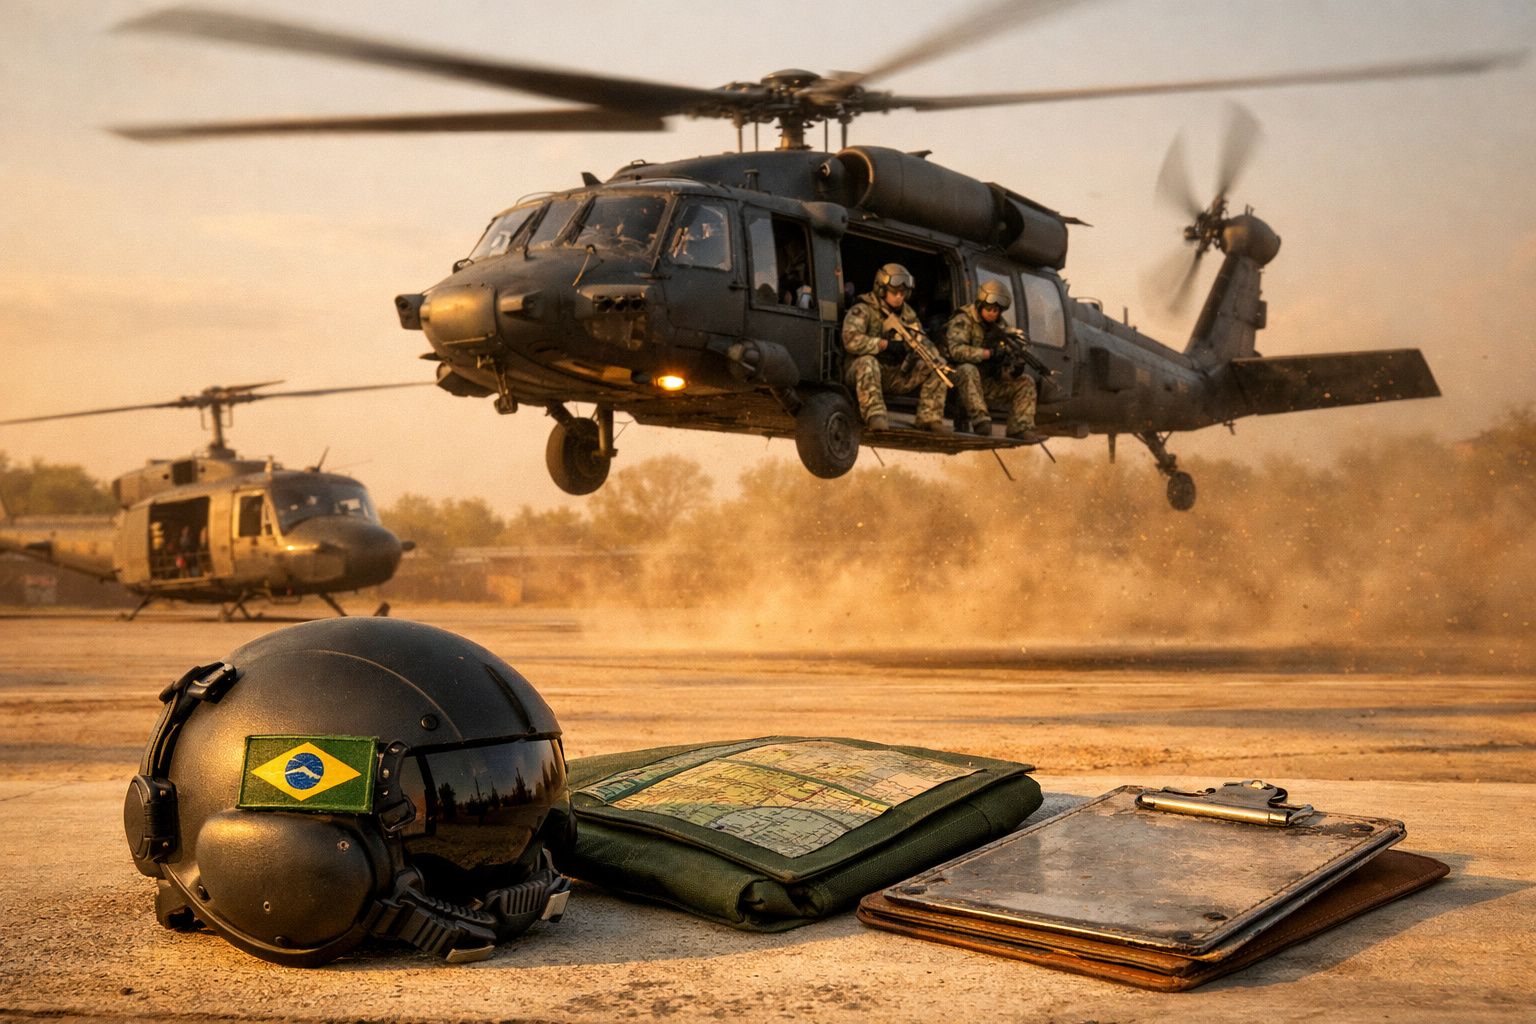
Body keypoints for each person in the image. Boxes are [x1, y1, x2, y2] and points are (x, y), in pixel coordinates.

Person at [842, 263, 951, 433]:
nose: (899, 297)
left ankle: (929, 418)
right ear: (882, 289)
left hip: (897, 373)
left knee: (937, 365)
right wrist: (884, 345)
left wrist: (932, 357)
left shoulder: (908, 314)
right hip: (865, 372)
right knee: (867, 362)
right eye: (895, 293)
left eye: (903, 293)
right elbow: (850, 340)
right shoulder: (864, 308)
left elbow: (923, 341)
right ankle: (875, 415)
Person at [943, 280, 1039, 439]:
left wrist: (1014, 369)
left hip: (984, 383)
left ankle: (1020, 427)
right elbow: (955, 351)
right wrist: (988, 354)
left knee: (1026, 382)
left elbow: (1003, 367)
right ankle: (980, 421)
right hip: (955, 382)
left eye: (996, 310)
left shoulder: (1002, 328)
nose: (992, 313)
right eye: (989, 309)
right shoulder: (964, 320)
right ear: (980, 305)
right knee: (968, 369)